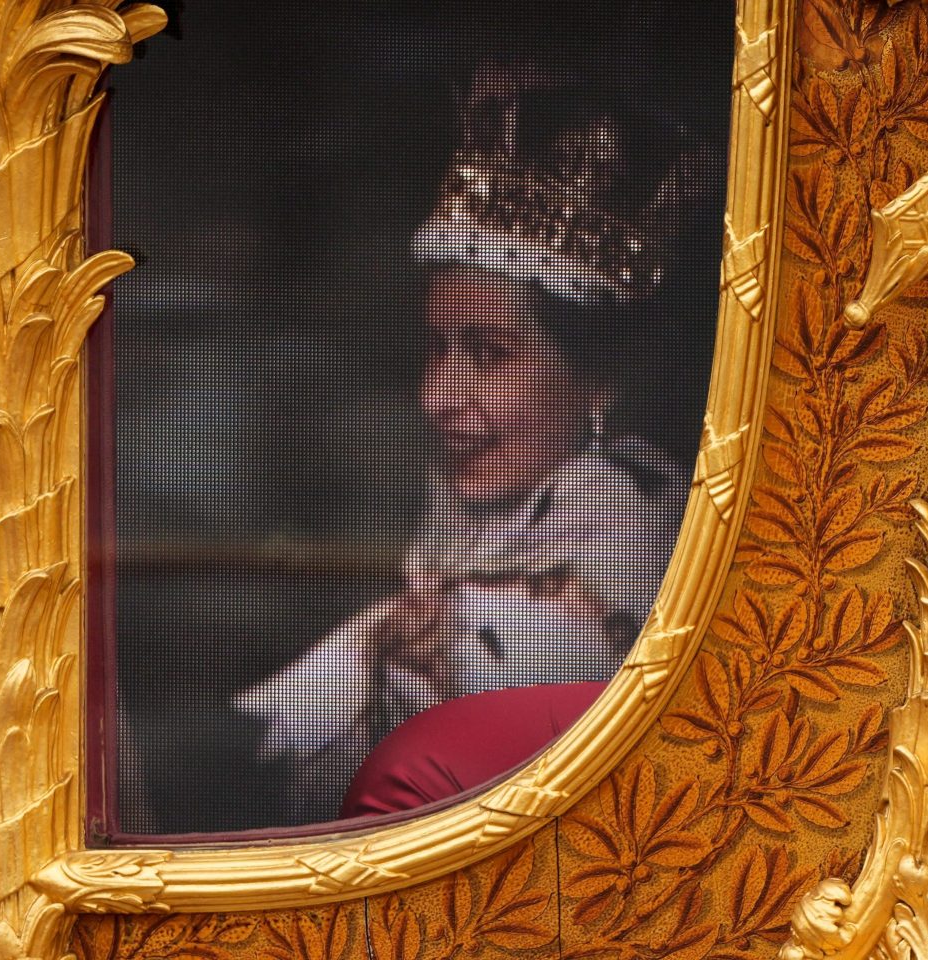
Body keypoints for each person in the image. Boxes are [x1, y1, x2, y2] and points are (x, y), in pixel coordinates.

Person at [232, 64, 715, 824]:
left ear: (600, 384)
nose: (438, 398)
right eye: (436, 349)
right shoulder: (456, 544)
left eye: (489, 354)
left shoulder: (640, 552)